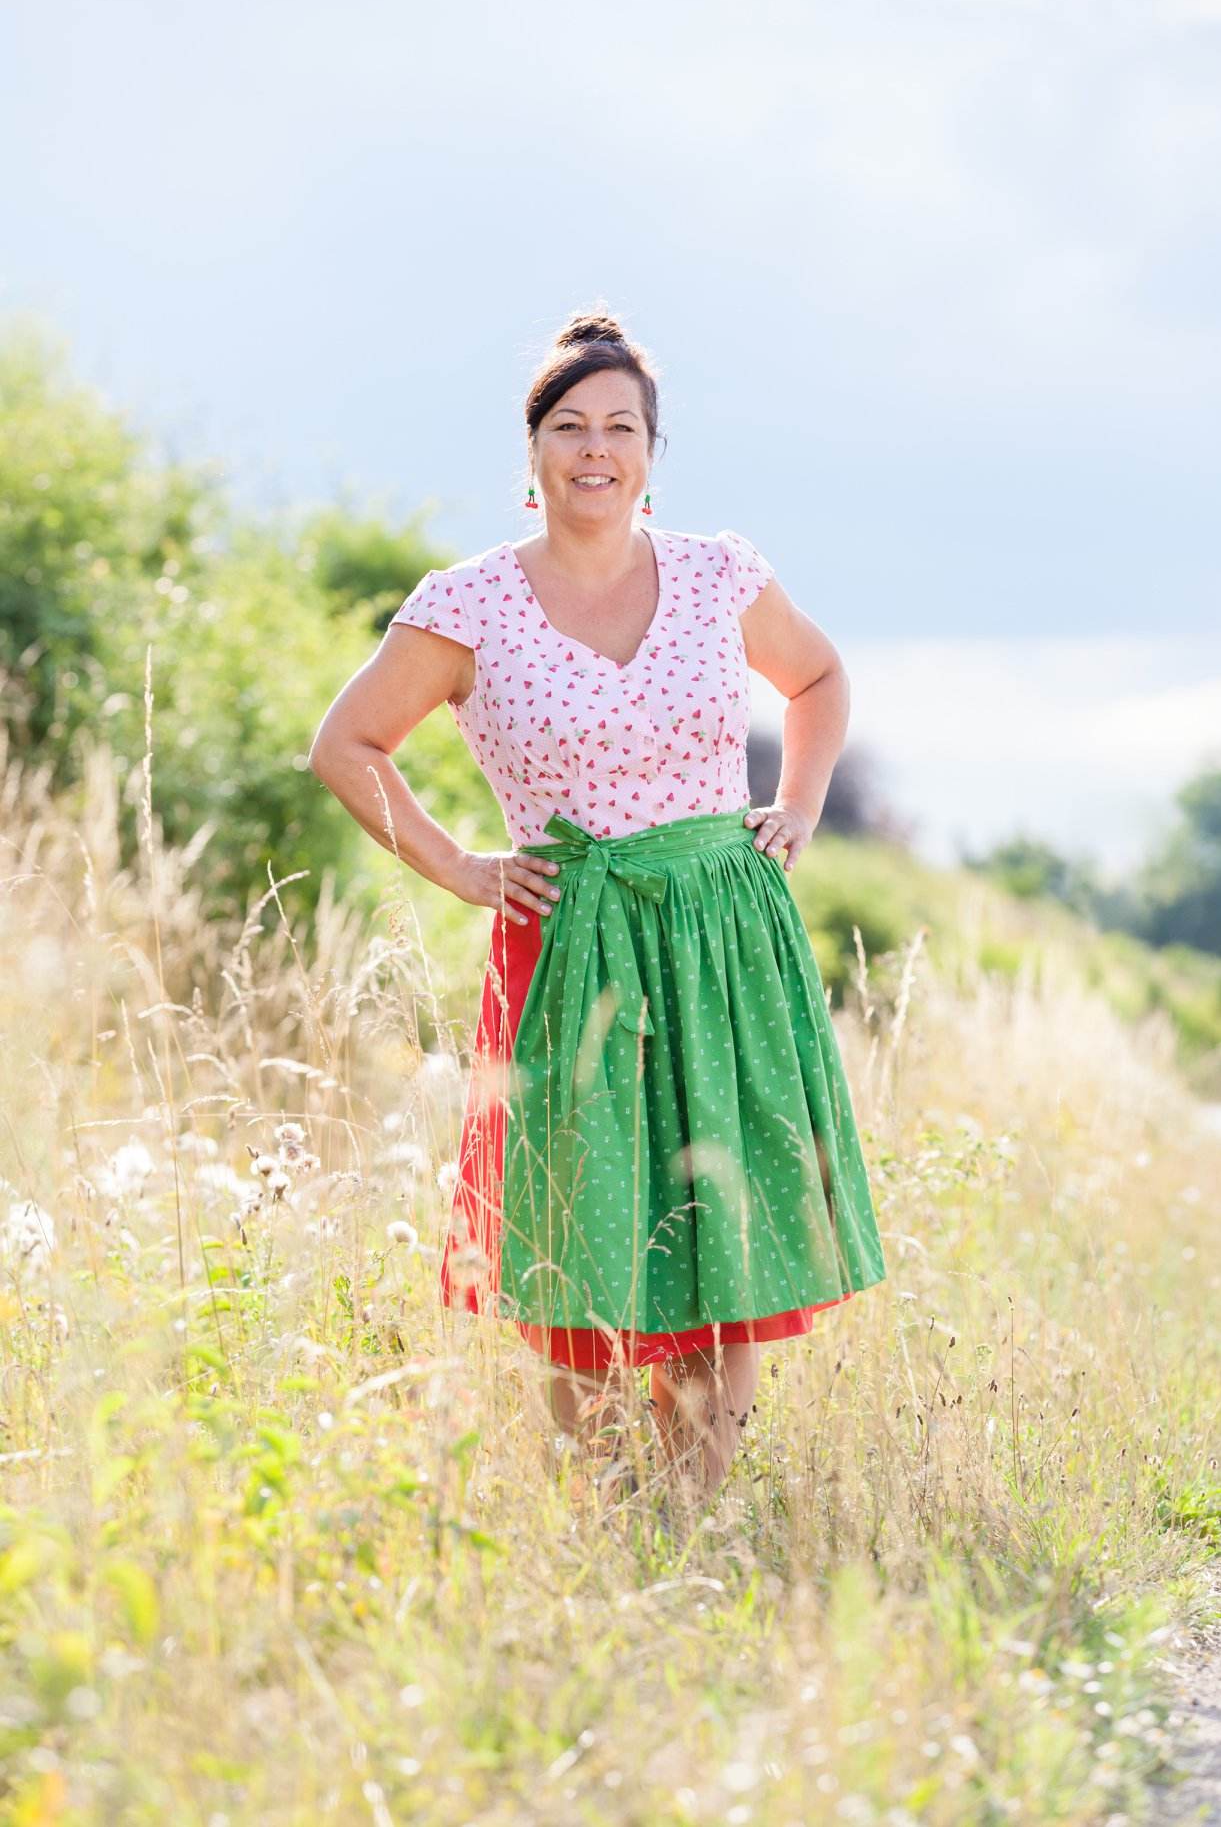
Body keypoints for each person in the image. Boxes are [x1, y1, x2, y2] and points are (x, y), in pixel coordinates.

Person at [308, 308, 887, 1520]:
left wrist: (796, 801)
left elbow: (820, 677)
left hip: (721, 933)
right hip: (569, 936)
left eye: (620, 427)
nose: (594, 448)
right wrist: (457, 866)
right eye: (568, 426)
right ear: (530, 454)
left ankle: (690, 1516)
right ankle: (606, 1508)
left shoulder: (721, 573)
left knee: (722, 1215)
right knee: (581, 1240)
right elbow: (346, 744)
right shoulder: (465, 605)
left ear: (651, 452)